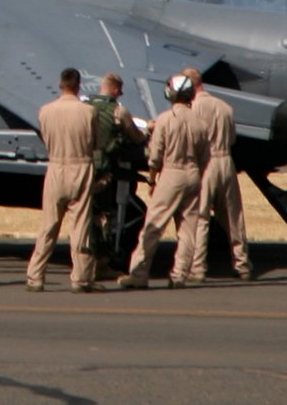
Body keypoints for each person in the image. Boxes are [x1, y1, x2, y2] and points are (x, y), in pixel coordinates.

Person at [117, 72, 200, 288]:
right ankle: (180, 275)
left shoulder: (164, 120)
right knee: (187, 229)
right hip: (193, 174)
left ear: (170, 93)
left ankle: (139, 273)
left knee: (153, 226)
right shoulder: (201, 122)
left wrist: (153, 179)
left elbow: (155, 157)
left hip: (171, 174)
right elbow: (205, 154)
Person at [27, 67, 100, 293]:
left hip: (56, 166)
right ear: (78, 85)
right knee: (80, 226)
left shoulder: (45, 111)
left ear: (61, 85)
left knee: (48, 225)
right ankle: (81, 277)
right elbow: (96, 143)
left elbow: (46, 138)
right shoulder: (89, 112)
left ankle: (35, 275)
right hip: (80, 167)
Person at [183, 67, 253, 281]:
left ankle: (198, 266)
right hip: (226, 161)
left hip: (206, 163)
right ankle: (242, 264)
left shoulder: (193, 109)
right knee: (233, 216)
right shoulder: (225, 107)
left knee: (201, 216)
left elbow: (191, 140)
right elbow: (232, 139)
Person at [89, 73, 147, 264]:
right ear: (115, 89)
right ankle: (109, 257)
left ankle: (92, 257)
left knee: (89, 214)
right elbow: (137, 137)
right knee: (121, 213)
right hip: (107, 172)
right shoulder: (119, 111)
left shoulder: (86, 108)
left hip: (86, 171)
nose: (121, 94)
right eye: (120, 90)